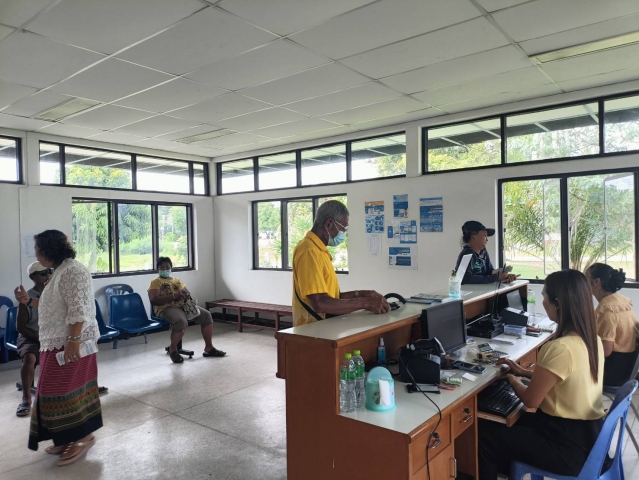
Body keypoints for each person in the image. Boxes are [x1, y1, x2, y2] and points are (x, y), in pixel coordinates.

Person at [478, 269, 605, 479]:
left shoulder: (560, 348)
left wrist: (510, 378)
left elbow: (530, 400)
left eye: (545, 296)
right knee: (504, 425)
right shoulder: (592, 340)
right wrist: (525, 373)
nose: (543, 301)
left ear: (558, 303)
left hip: (565, 448)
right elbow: (566, 379)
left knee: (485, 435)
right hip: (587, 436)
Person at [26, 230, 102, 466]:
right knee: (55, 392)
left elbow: (78, 309)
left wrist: (73, 341)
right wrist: (28, 301)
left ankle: (83, 436)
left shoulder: (72, 271)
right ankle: (67, 436)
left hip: (70, 343)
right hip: (56, 342)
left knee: (64, 391)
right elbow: (54, 304)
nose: (36, 254)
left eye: (38, 249)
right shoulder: (60, 271)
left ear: (49, 250)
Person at [292, 200, 390, 327]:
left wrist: (362, 294)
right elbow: (319, 303)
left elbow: (331, 298)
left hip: (324, 328)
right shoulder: (309, 251)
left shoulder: (320, 250)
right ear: (329, 224)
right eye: (343, 228)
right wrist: (364, 303)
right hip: (311, 331)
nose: (343, 234)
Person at [148, 257, 226, 364]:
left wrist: (186, 294)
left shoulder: (177, 280)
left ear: (171, 268)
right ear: (158, 269)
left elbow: (186, 292)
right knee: (181, 321)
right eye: (162, 267)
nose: (165, 269)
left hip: (184, 306)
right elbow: (154, 300)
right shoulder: (155, 282)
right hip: (166, 308)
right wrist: (174, 296)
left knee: (206, 315)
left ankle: (209, 348)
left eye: (167, 267)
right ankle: (173, 350)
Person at [585, 263, 639, 387]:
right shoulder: (620, 301)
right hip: (627, 367)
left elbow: (605, 351)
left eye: (586, 277)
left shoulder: (607, 310)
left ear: (596, 282)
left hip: (614, 372)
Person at [12, 262, 51, 417]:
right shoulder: (27, 298)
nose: (48, 275)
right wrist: (38, 338)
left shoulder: (55, 294)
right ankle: (26, 399)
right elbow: (20, 327)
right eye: (43, 273)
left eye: (50, 271)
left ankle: (84, 387)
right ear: (33, 277)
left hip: (51, 335)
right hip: (30, 336)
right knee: (30, 357)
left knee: (74, 350)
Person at [455, 220, 516, 284]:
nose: (487, 239)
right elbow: (465, 279)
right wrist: (496, 277)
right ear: (473, 235)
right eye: (484, 235)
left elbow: (490, 272)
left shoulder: (483, 252)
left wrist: (503, 277)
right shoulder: (467, 253)